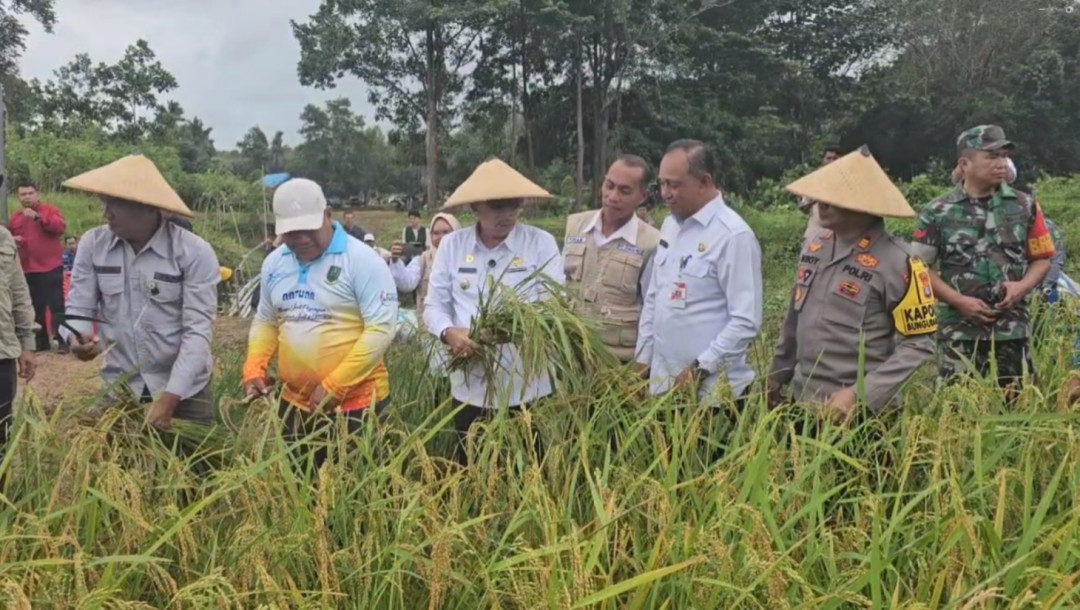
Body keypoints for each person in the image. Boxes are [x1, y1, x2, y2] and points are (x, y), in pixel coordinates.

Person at [767, 146, 938, 422]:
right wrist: (776, 376)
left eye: (836, 197)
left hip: (862, 416)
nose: (823, 203)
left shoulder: (901, 262)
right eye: (823, 194)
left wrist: (859, 395)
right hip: (804, 403)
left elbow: (919, 344)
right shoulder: (814, 247)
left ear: (865, 204)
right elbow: (793, 320)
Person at [242, 178, 399, 472]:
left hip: (357, 405)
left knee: (356, 489)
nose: (301, 238)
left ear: (328, 216)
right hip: (294, 404)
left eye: (308, 229)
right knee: (300, 485)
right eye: (291, 232)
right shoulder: (274, 263)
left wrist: (335, 386)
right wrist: (255, 367)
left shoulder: (362, 260)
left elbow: (381, 329)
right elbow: (266, 320)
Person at [60, 155, 221, 430]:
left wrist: (170, 398)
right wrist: (77, 336)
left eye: (114, 204)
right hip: (121, 387)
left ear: (147, 207)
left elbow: (197, 331)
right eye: (103, 203)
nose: (106, 213)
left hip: (183, 391)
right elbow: (79, 305)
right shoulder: (93, 245)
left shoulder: (193, 252)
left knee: (194, 457)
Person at [423, 157, 563, 466]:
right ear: (475, 206)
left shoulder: (540, 244)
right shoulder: (452, 246)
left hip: (528, 387)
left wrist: (493, 333)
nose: (508, 214)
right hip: (470, 388)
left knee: (530, 471)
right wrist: (449, 333)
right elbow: (434, 306)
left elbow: (552, 307)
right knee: (473, 469)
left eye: (515, 204)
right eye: (498, 206)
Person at [911, 125, 1056, 396]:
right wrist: (958, 301)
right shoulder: (937, 211)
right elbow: (919, 268)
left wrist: (1022, 287)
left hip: (1013, 330)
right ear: (965, 164)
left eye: (1004, 156)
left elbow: (1043, 258)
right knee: (958, 407)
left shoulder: (1025, 205)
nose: (1001, 163)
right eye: (991, 156)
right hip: (959, 332)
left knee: (1019, 404)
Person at [635, 139, 763, 407]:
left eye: (675, 185)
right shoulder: (669, 226)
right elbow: (655, 298)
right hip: (664, 386)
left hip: (713, 395)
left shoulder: (733, 236)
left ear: (704, 182)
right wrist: (643, 359)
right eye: (662, 184)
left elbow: (745, 321)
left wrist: (701, 368)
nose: (666, 193)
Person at [563, 155, 660, 363]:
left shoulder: (651, 243)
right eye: (609, 186)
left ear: (642, 196)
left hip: (618, 361)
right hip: (570, 354)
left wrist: (642, 364)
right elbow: (558, 284)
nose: (613, 197)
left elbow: (652, 309)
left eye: (624, 191)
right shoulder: (575, 226)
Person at [8, 181, 67, 354]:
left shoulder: (49, 210)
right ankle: (41, 342)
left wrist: (37, 217)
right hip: (28, 268)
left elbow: (60, 227)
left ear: (37, 194)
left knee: (56, 305)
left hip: (50, 266)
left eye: (30, 193)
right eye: (23, 194)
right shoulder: (16, 217)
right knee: (34, 307)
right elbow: (8, 237)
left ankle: (63, 340)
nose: (27, 197)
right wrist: (14, 240)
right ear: (18, 197)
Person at [0, 223, 37, 471]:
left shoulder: (2, 238)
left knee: (1, 432)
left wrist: (26, 343)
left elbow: (18, 292)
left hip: (1, 353)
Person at [389, 212, 461, 319]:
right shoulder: (423, 260)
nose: (441, 237)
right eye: (436, 233)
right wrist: (395, 261)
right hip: (428, 325)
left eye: (446, 232)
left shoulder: (467, 259)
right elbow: (407, 284)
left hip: (462, 325)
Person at [798, 146, 842, 241]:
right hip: (816, 230)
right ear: (823, 160)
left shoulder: (846, 179)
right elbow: (803, 205)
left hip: (840, 233)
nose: (831, 161)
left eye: (835, 158)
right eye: (828, 158)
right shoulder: (814, 179)